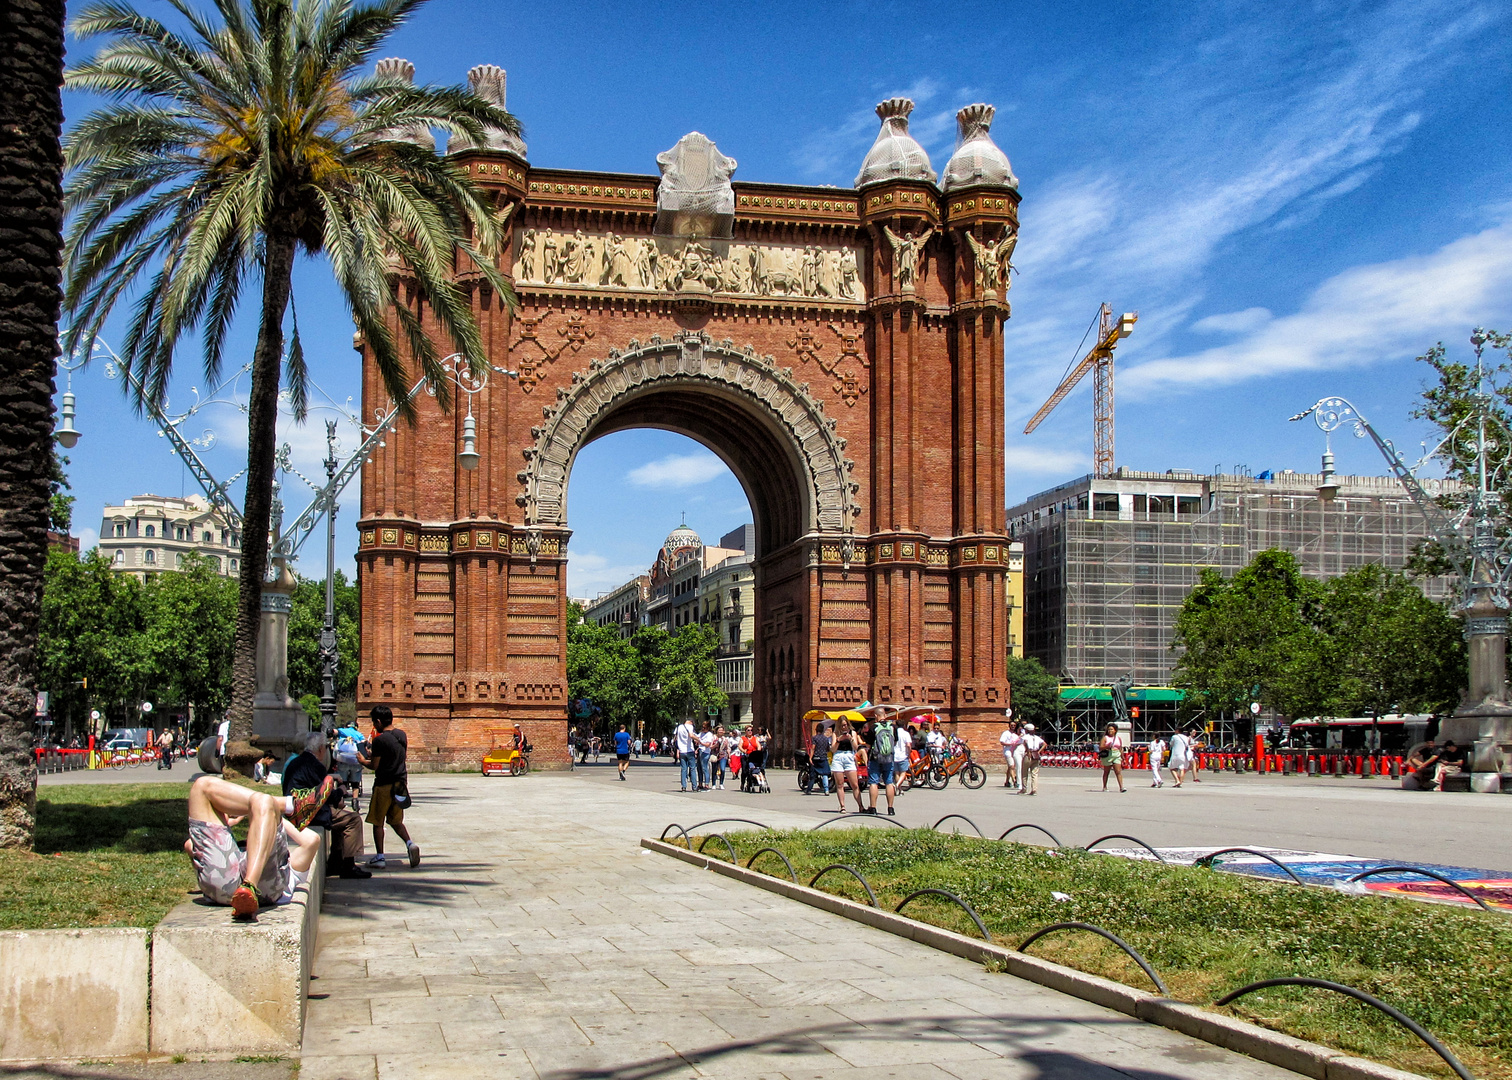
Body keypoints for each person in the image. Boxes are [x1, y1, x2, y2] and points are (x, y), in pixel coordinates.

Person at [184, 773, 334, 919]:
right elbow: (311, 839)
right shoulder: (289, 872)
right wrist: (267, 814)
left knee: (263, 802)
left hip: (227, 890)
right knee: (201, 786)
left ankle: (290, 806)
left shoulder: (293, 875)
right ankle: (291, 806)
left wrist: (267, 814)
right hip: (263, 888)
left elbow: (191, 847)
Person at [282, 731, 370, 879]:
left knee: (340, 818)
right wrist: (341, 791)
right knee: (352, 819)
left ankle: (336, 862)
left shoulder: (297, 762)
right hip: (309, 812)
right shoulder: (315, 765)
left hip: (294, 808)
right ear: (321, 749)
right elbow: (326, 796)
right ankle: (348, 865)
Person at [358, 705, 420, 869]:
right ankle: (410, 844)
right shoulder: (402, 735)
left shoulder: (379, 740)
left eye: (374, 722)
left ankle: (380, 857)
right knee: (396, 820)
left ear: (378, 721)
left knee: (378, 822)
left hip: (384, 784)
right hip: (400, 784)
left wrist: (362, 760)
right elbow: (395, 755)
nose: (374, 725)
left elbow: (375, 766)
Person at [866, 717, 898, 816]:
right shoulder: (892, 727)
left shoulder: (874, 727)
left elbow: (868, 744)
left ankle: (873, 808)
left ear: (876, 716)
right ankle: (890, 808)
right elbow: (895, 741)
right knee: (889, 782)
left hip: (876, 758)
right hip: (889, 758)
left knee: (874, 782)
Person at [333, 725, 366, 812]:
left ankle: (340, 801)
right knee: (355, 784)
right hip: (355, 761)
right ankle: (355, 801)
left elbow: (333, 731)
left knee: (341, 782)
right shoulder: (359, 734)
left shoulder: (342, 731)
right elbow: (363, 744)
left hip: (343, 760)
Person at [831, 721, 861, 813]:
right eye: (842, 725)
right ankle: (842, 806)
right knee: (840, 784)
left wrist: (851, 739)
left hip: (849, 756)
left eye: (846, 725)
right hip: (838, 757)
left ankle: (861, 806)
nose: (844, 727)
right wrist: (838, 740)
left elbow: (856, 748)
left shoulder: (853, 733)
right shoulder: (835, 734)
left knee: (855, 784)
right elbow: (833, 749)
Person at [1099, 723, 1126, 792]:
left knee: (1118, 771)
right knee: (1106, 772)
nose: (1110, 731)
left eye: (1111, 729)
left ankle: (1121, 787)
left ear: (1115, 730)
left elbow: (1120, 748)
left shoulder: (1118, 738)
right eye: (1109, 729)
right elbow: (1101, 747)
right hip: (1108, 755)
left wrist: (1123, 758)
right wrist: (1107, 746)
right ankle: (1104, 786)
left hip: (1116, 754)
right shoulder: (1105, 738)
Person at [1020, 724, 1046, 795]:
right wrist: (1038, 752)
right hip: (1036, 755)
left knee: (1024, 772)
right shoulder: (1037, 737)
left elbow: (1025, 743)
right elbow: (1044, 744)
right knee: (1034, 773)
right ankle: (1034, 789)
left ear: (1026, 730)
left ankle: (1024, 789)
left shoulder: (1025, 737)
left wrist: (1028, 751)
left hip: (1028, 755)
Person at [674, 716, 698, 792]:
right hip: (689, 750)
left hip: (682, 751)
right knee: (692, 768)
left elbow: (676, 739)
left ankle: (684, 786)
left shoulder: (679, 727)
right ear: (691, 722)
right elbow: (691, 735)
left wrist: (678, 750)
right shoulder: (690, 727)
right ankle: (694, 787)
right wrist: (698, 739)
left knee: (683, 769)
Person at [809, 723, 832, 795]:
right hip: (823, 757)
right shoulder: (826, 739)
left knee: (813, 774)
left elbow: (813, 748)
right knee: (825, 774)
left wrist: (810, 757)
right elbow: (828, 749)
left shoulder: (815, 738)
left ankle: (809, 789)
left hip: (816, 758)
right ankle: (826, 790)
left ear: (816, 730)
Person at [999, 720, 1021, 789]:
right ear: (1009, 726)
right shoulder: (1005, 733)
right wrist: (1010, 744)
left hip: (1014, 752)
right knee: (1012, 766)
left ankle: (1007, 781)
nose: (1013, 727)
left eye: (1014, 725)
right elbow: (1002, 742)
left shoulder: (1016, 734)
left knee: (1010, 767)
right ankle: (1015, 781)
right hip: (1007, 751)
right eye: (1011, 725)